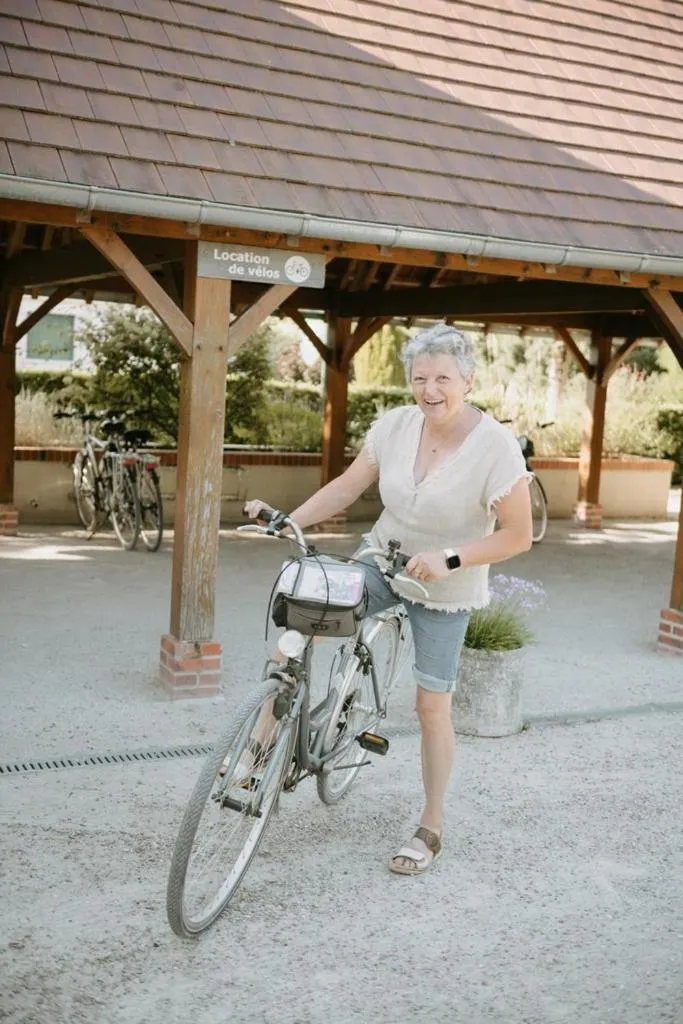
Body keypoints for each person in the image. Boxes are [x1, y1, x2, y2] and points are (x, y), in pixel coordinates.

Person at [245, 321, 532, 875]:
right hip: (383, 558)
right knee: (299, 619)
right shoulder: (396, 426)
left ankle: (431, 824)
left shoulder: (495, 447)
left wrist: (450, 558)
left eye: (443, 377)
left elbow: (516, 535)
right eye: (420, 377)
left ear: (468, 380)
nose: (430, 389)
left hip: (446, 585)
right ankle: (259, 751)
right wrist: (288, 521)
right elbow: (350, 486)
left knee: (431, 709)